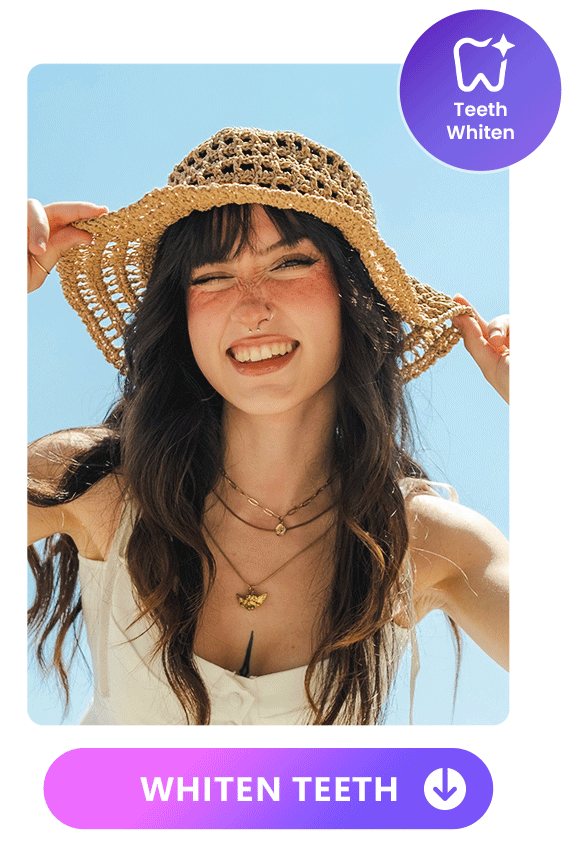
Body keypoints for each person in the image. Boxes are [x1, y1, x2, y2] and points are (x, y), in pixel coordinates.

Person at [27, 127, 509, 725]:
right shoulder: (92, 483)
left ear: (353, 296)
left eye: (290, 264)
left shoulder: (427, 540)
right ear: (181, 316)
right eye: (211, 276)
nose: (251, 306)